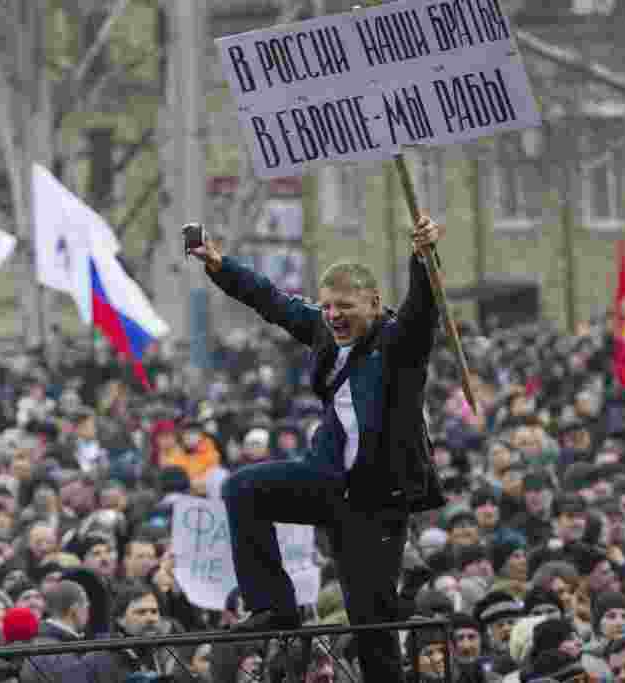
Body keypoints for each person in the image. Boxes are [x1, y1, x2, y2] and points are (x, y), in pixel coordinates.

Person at [187, 215, 447, 682]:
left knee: (373, 626)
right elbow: (272, 301)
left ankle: (395, 604)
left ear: (374, 303)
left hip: (376, 502)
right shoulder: (325, 333)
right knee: (242, 490)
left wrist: (423, 256)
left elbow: (424, 309)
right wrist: (220, 266)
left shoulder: (400, 345)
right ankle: (273, 607)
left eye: (344, 307)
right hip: (328, 482)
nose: (333, 317)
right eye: (327, 308)